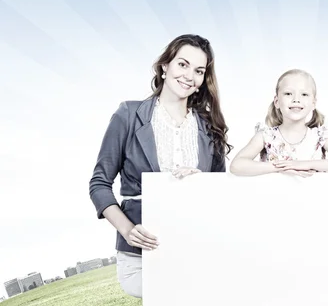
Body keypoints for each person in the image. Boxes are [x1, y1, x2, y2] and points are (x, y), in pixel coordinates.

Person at [88, 34, 233, 298]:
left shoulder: (209, 127)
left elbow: (220, 193)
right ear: (165, 66)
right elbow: (99, 184)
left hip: (195, 243)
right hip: (142, 252)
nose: (189, 75)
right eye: (183, 64)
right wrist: (128, 230)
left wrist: (201, 181)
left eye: (199, 71)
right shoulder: (129, 115)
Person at [230, 69, 328, 176]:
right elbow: (237, 166)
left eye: (304, 94)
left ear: (313, 103)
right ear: (277, 101)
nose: (296, 99)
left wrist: (305, 164)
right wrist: (282, 167)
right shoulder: (266, 136)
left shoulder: (320, 136)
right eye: (288, 93)